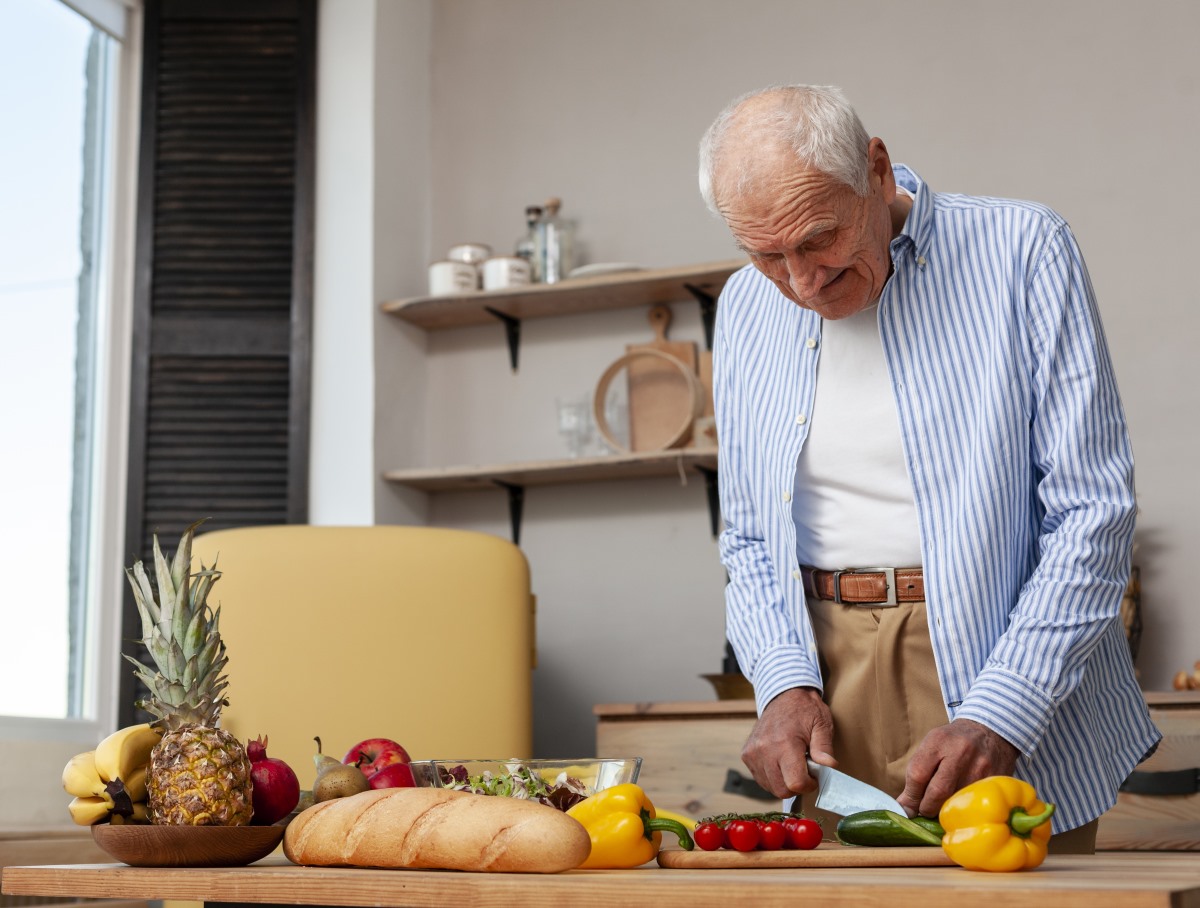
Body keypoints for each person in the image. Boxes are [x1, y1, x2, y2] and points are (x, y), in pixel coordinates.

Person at [698, 84, 1160, 852]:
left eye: (819, 239)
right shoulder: (746, 305)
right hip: (827, 684)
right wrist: (780, 680)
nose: (803, 283)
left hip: (1004, 661)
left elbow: (1093, 512)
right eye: (768, 254)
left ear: (876, 170)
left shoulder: (1023, 249)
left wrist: (1002, 712)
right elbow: (748, 535)